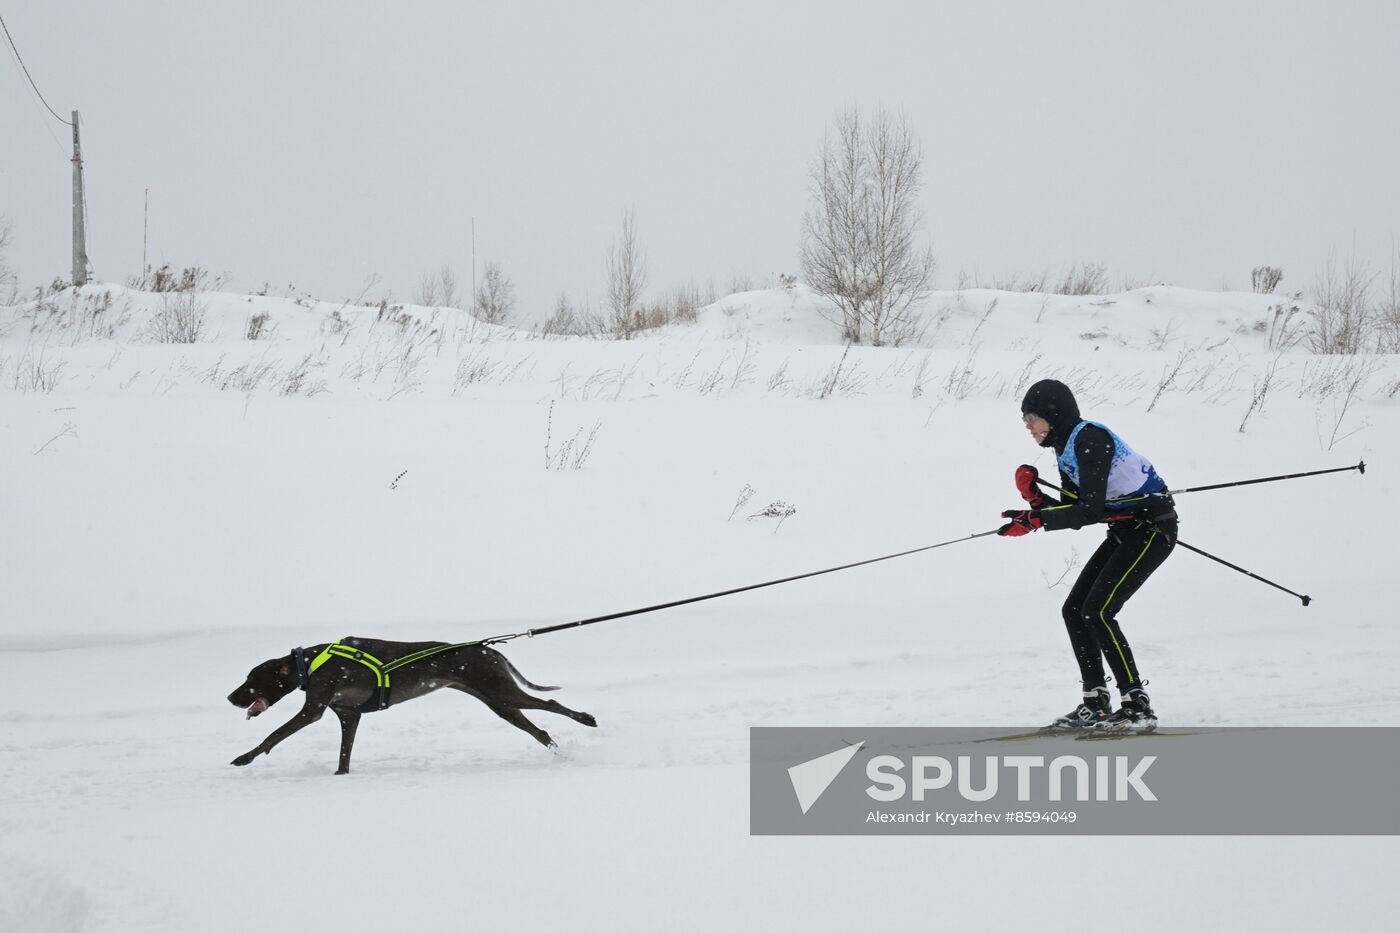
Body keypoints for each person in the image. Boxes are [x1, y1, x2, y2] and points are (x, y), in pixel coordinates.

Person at [997, 379, 1178, 733]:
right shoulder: (1064, 448)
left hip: (1153, 529)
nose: (1028, 427)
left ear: (1053, 414)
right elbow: (1074, 508)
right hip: (1127, 530)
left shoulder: (1089, 438)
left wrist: (1037, 520)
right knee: (1074, 610)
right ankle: (1095, 701)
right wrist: (1035, 502)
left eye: (1031, 418)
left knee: (1098, 611)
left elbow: (1090, 510)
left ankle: (1136, 705)